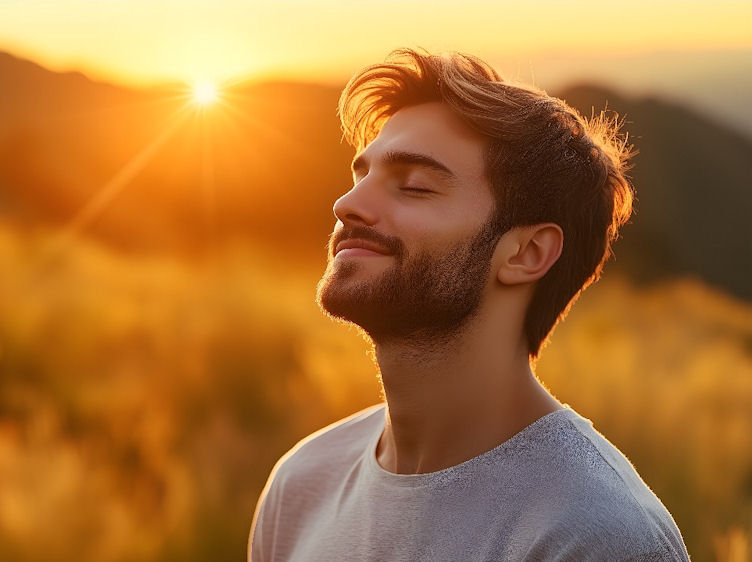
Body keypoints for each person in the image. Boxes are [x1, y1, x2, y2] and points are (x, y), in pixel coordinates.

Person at [248, 48, 689, 561]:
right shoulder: (301, 485)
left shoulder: (596, 537)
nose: (347, 205)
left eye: (414, 186)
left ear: (526, 253)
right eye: (360, 177)